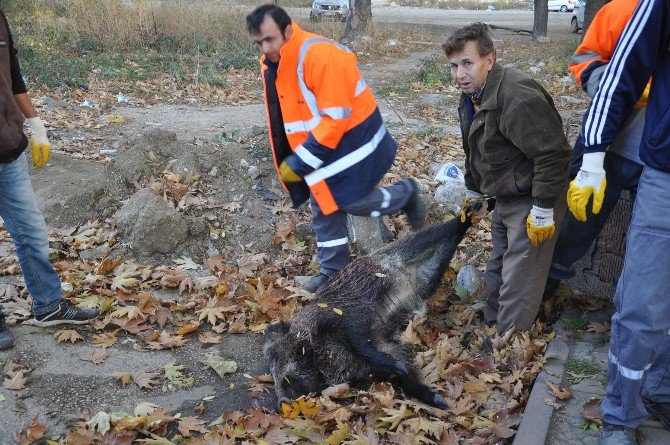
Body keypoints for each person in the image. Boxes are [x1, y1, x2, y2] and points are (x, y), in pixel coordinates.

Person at [246, 4, 424, 293]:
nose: (265, 48)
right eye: (259, 43)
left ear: (288, 30)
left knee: (346, 202)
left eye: (270, 39)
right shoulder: (278, 62)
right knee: (323, 205)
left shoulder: (318, 55)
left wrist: (300, 160)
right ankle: (333, 271)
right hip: (325, 144)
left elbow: (336, 117)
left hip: (355, 140)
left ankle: (405, 194)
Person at [566, 1, 670, 443]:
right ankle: (620, 416)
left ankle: (660, 388)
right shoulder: (624, 9)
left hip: (644, 135)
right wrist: (591, 157)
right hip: (638, 140)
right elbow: (599, 64)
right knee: (641, 298)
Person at [443, 23, 572, 333]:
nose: (459, 73)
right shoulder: (473, 95)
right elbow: (475, 148)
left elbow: (553, 154)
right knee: (499, 267)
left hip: (535, 197)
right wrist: (475, 194)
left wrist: (542, 208)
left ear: (490, 59)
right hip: (506, 196)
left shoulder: (517, 97)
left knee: (520, 276)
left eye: (467, 63)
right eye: (454, 65)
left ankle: (506, 348)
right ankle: (492, 326)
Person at [0, 10, 100, 350]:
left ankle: (48, 305)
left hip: (8, 147)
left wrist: (35, 122)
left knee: (30, 229)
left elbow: (11, 76)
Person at [544, 0, 647, 298]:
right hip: (606, 141)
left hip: (658, 152)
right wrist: (618, 86)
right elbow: (584, 59)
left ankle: (637, 307)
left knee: (652, 236)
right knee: (576, 220)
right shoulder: (621, 9)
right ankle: (545, 285)